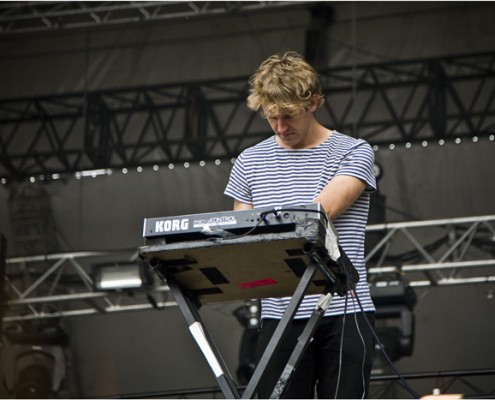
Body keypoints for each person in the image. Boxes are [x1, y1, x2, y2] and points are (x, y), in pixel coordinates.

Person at [224, 51, 376, 399]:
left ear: (314, 103)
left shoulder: (354, 151)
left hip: (344, 310)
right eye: (271, 117)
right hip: (279, 316)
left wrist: (260, 226)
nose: (280, 127)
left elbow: (318, 215)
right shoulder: (249, 162)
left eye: (288, 116)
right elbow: (239, 239)